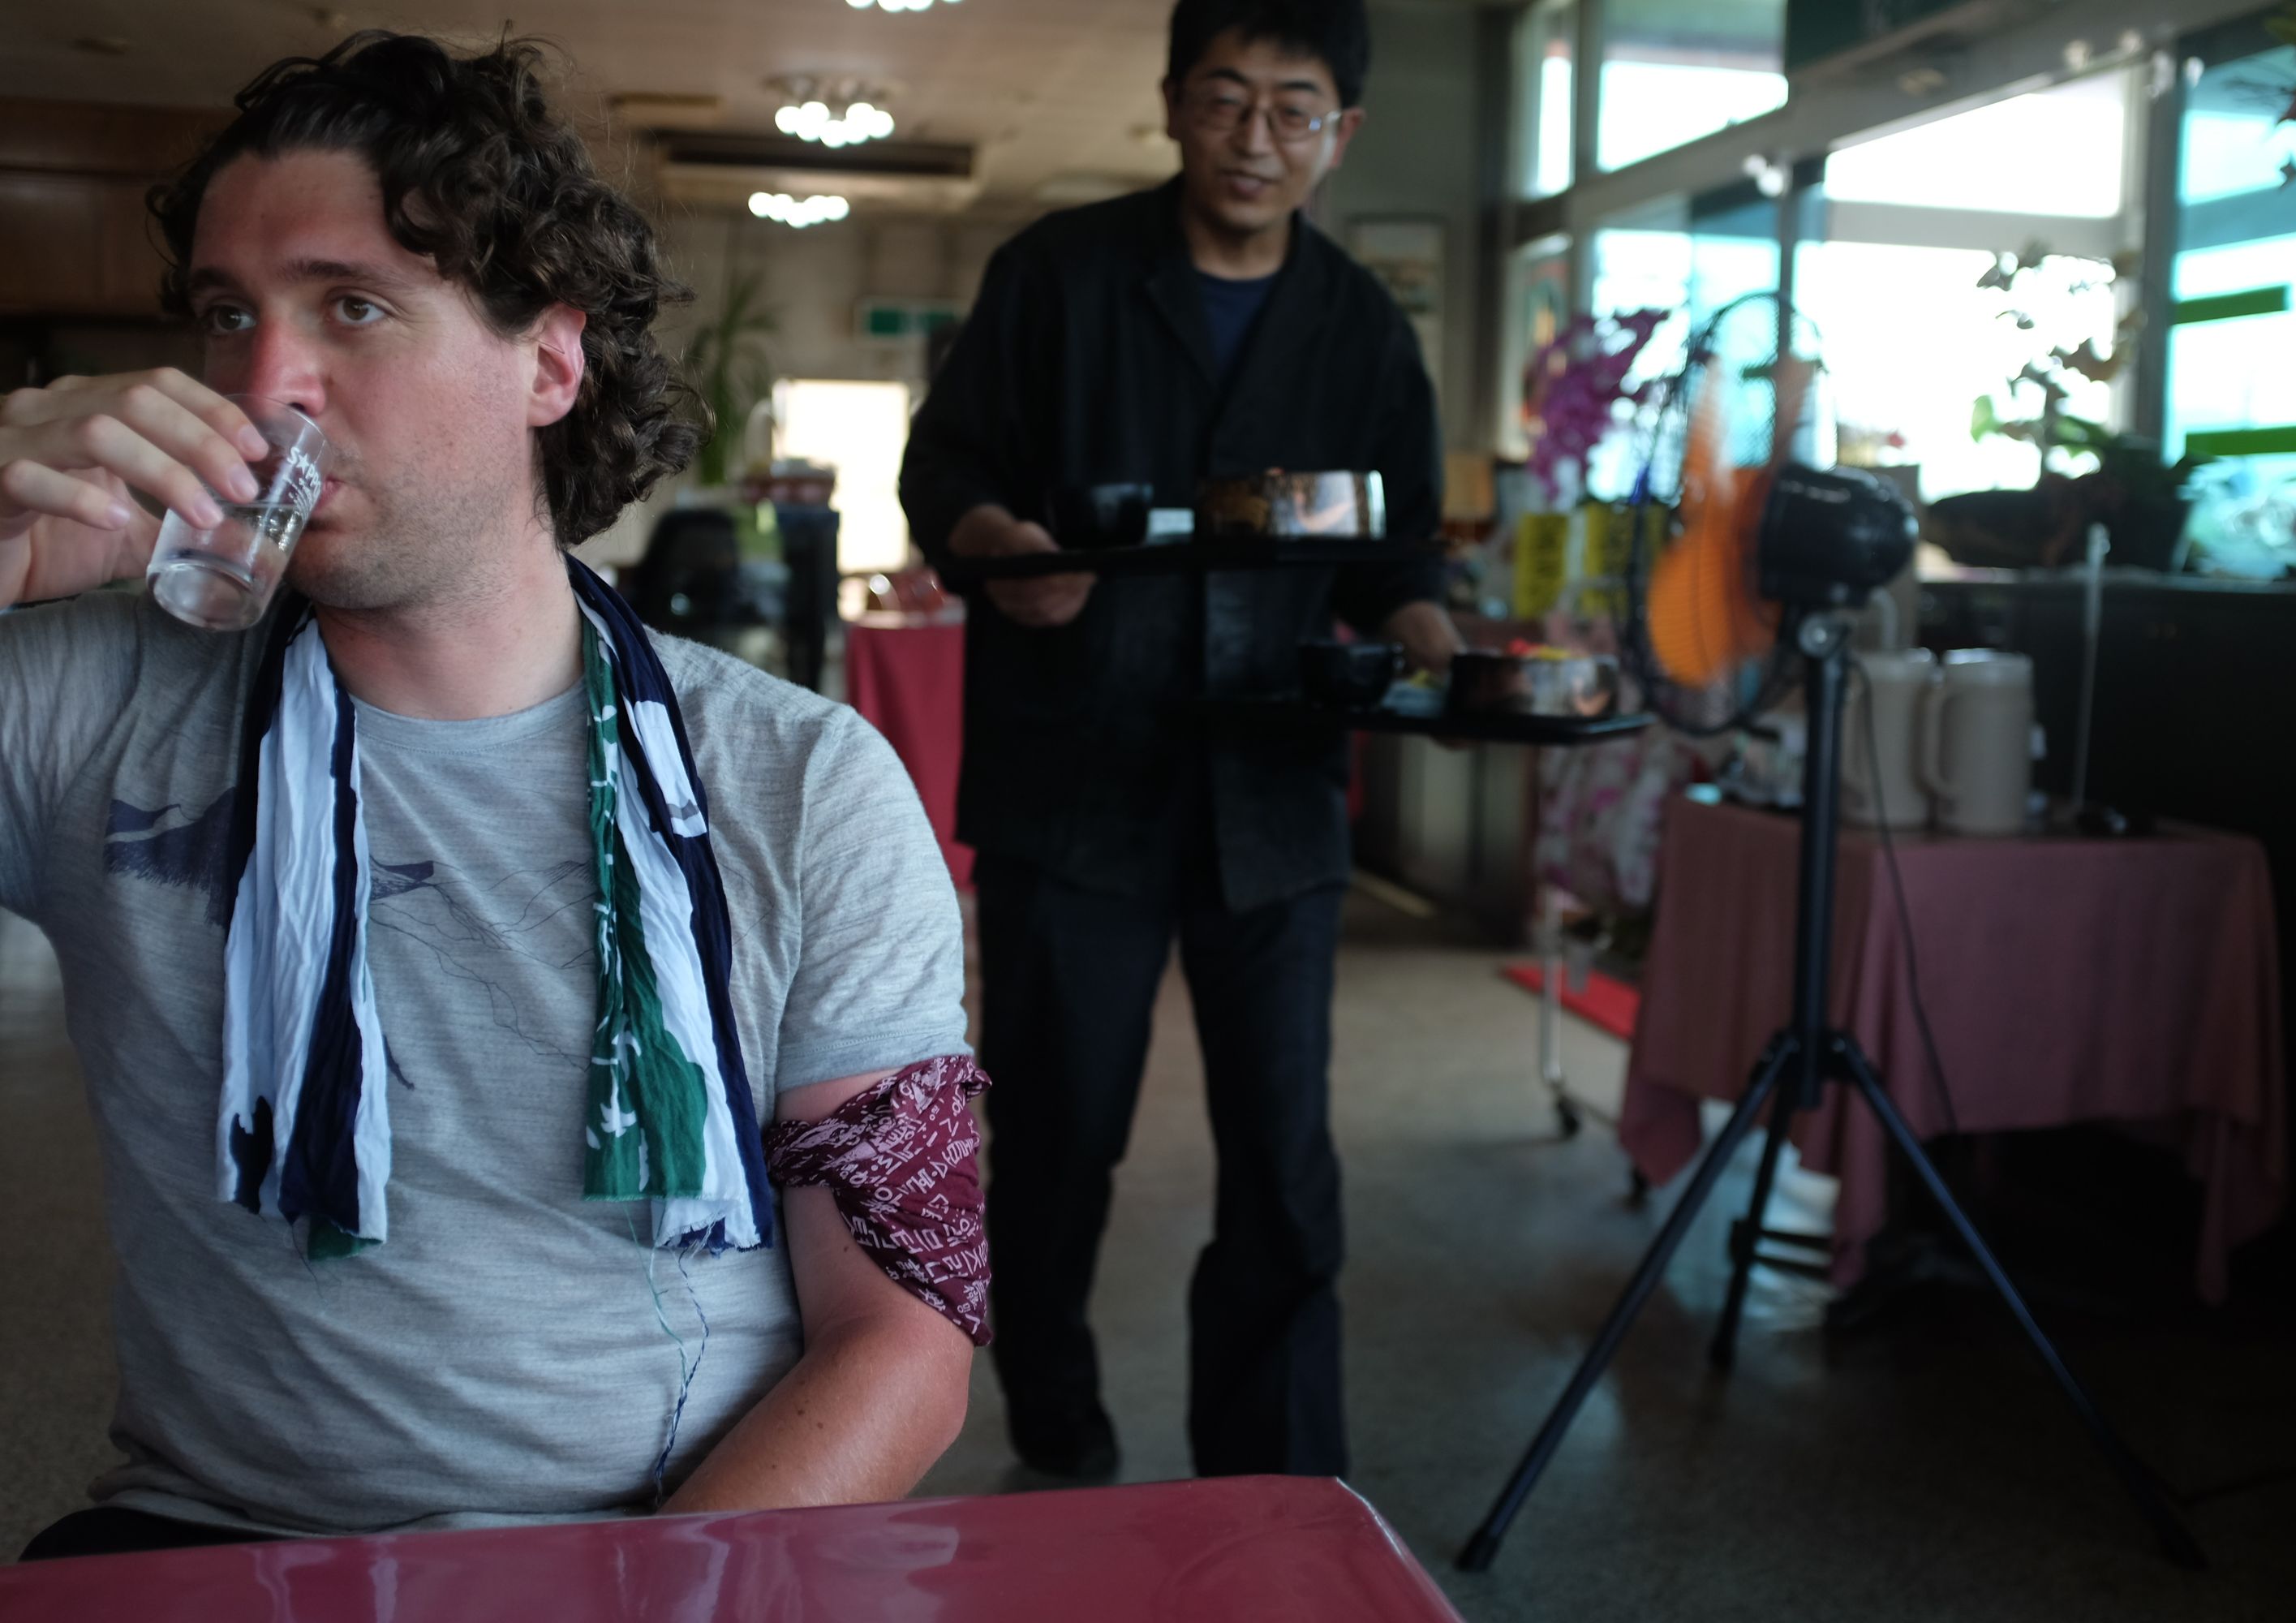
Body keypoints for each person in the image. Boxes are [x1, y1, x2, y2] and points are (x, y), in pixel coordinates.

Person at [0, 32, 982, 1559]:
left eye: (355, 306)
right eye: (225, 316)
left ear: (549, 360)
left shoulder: (800, 783)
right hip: (220, 1535)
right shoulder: (89, 700)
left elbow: (905, 1338)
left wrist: (633, 1603)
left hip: (670, 1546)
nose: (268, 390)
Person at [899, 0, 1460, 1480]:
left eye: (1294, 109)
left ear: (1342, 133)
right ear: (1170, 101)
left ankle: (1273, 1476)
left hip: (1274, 804)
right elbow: (942, 463)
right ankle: (1062, 1444)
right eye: (1226, 98)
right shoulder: (1058, 278)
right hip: (1074, 790)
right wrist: (997, 540)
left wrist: (1434, 640)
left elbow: (1398, 549)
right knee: (1063, 1148)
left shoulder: (1359, 325)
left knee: (1283, 1160)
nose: (1256, 138)